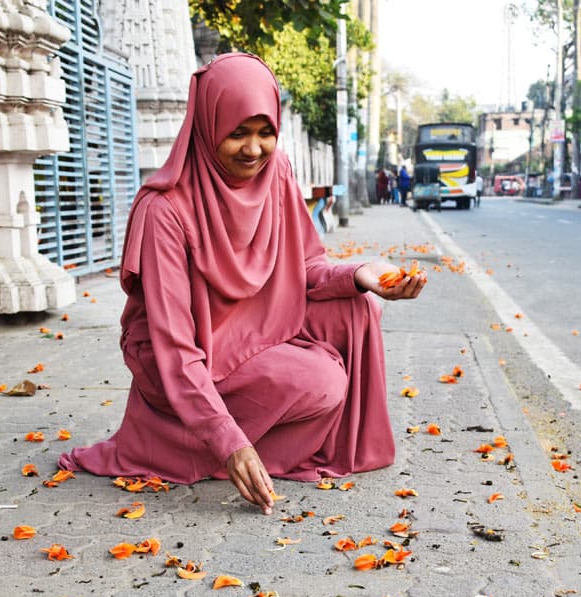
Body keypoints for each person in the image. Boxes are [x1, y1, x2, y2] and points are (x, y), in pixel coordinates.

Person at [58, 54, 425, 515]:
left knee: (357, 307)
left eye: (265, 132)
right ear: (208, 125)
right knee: (322, 379)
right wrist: (228, 442)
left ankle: (259, 441)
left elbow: (306, 267)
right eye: (237, 133)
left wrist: (360, 276)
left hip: (249, 331)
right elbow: (174, 347)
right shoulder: (164, 210)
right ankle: (204, 446)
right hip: (181, 359)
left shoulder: (277, 174)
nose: (254, 150)